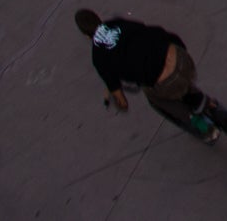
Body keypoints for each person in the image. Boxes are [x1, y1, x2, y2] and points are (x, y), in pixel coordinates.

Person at [74, 9, 218, 143]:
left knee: (156, 96)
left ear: (86, 35)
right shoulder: (117, 23)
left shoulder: (99, 58)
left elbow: (122, 102)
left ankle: (203, 126)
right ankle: (209, 104)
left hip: (168, 82)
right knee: (179, 79)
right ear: (99, 18)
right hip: (182, 56)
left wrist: (118, 101)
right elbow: (144, 28)